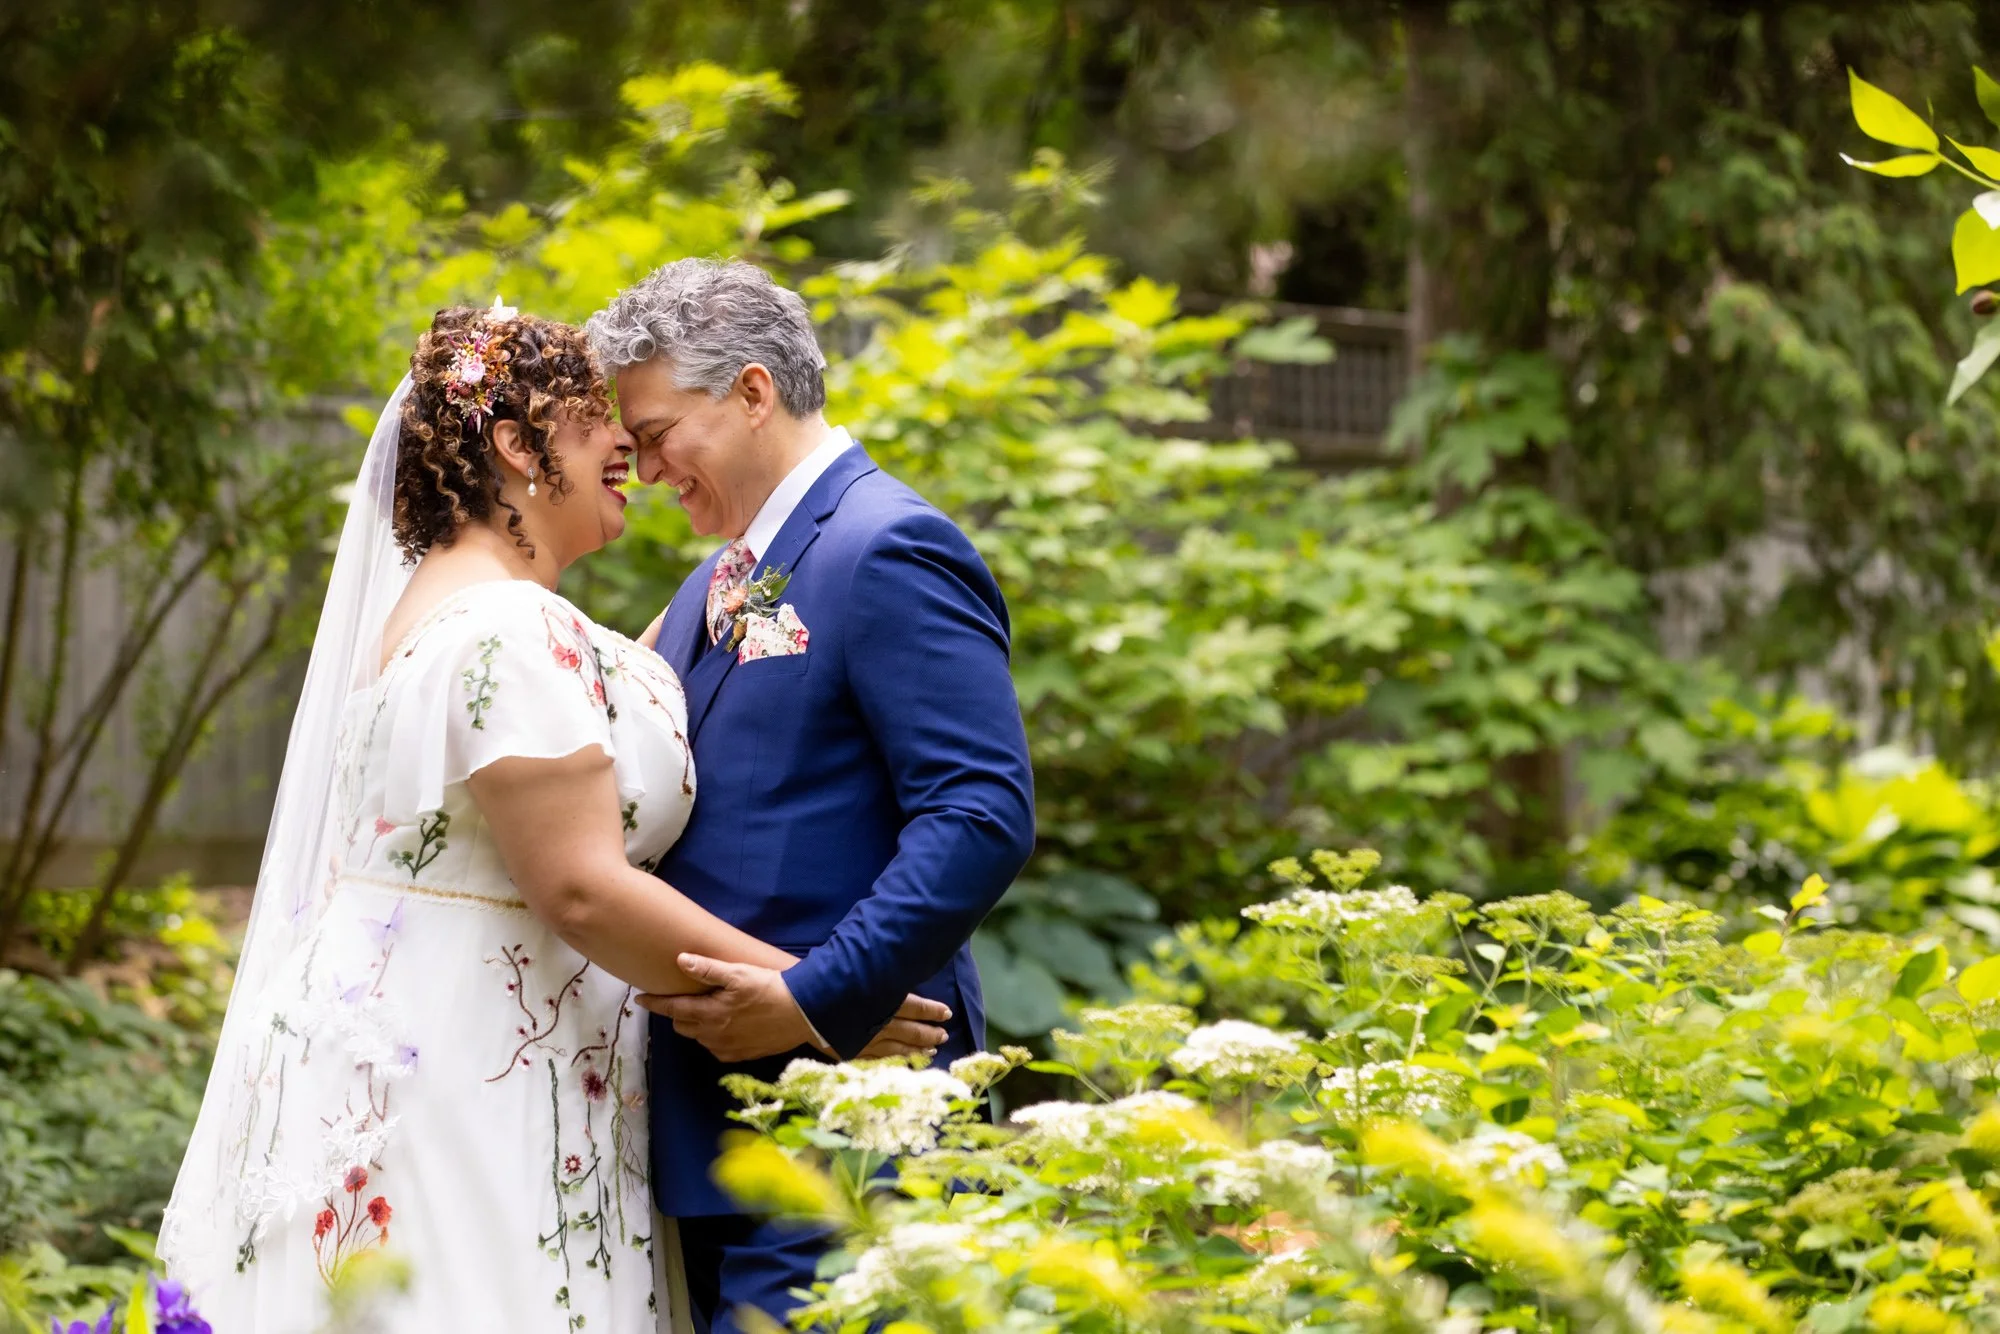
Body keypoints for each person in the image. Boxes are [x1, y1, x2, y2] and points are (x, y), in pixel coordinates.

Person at [158, 302, 950, 1333]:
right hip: (473, 1067)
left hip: (419, 1037)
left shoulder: (464, 618)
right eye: (591, 417)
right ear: (514, 446)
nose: (624, 439)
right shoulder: (505, 631)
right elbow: (580, 885)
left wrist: (781, 528)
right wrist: (807, 994)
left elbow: (683, 649)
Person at [585, 259, 1036, 1334]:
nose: (645, 471)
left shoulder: (890, 546)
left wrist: (811, 996)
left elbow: (978, 810)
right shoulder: (718, 579)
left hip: (853, 1115)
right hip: (715, 1126)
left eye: (655, 434)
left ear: (750, 392)